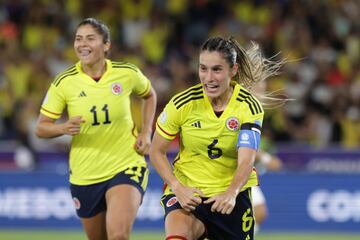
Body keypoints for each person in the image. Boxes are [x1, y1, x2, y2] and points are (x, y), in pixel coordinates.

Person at [149, 36, 283, 240]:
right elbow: (156, 151)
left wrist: (231, 192)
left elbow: (246, 160)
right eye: (203, 69)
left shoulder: (248, 107)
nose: (208, 78)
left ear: (233, 70)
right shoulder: (182, 104)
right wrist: (177, 187)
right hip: (189, 193)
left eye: (217, 70)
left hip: (229, 198)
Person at [35, 18, 157, 240]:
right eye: (78, 39)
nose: (83, 44)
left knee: (118, 235)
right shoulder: (64, 82)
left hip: (126, 164)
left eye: (90, 38)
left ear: (106, 45)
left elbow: (149, 95)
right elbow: (41, 129)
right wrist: (63, 127)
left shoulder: (127, 73)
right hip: (85, 173)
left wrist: (146, 131)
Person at [253, 150, 283, 233]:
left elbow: (276, 165)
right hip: (225, 179)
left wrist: (260, 155)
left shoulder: (251, 146)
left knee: (260, 212)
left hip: (247, 181)